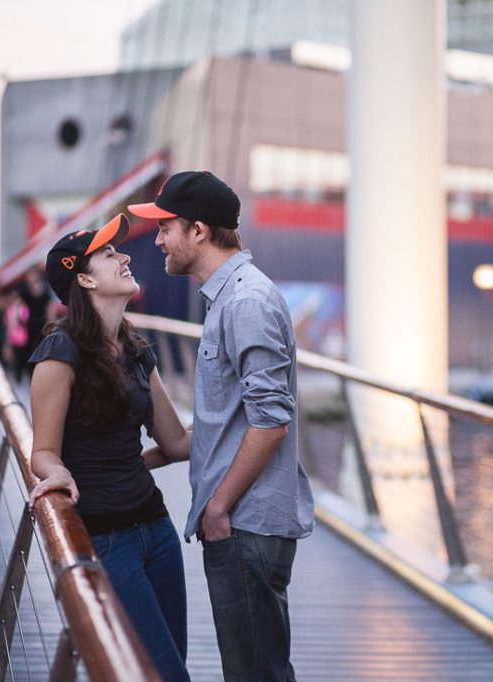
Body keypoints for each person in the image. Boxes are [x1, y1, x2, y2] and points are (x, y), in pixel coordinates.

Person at [129, 171, 314, 682]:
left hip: (245, 524)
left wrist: (218, 505)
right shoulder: (228, 299)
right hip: (240, 522)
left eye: (166, 227)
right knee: (257, 670)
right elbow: (224, 425)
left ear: (199, 232)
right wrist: (131, 463)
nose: (159, 239)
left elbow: (270, 422)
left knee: (255, 674)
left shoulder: (245, 303)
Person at [25, 214, 192, 682]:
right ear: (83, 277)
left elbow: (176, 441)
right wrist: (55, 473)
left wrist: (248, 420)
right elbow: (44, 451)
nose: (123, 257)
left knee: (170, 665)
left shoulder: (137, 349)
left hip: (157, 531)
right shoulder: (61, 352)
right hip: (105, 539)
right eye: (107, 254)